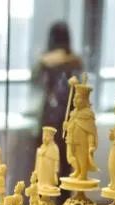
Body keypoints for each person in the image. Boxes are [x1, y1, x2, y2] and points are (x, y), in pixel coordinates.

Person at [32, 22, 82, 179]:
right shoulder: (73, 61)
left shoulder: (51, 61)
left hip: (56, 114)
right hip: (63, 114)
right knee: (59, 162)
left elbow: (36, 81)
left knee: (50, 161)